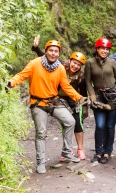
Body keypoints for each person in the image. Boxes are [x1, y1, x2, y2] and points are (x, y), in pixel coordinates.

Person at [6, 39, 88, 174]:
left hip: (53, 101)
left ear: (59, 53)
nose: (53, 53)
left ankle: (67, 152)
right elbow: (22, 75)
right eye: (51, 50)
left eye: (56, 51)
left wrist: (79, 98)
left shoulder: (60, 68)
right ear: (46, 50)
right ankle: (41, 162)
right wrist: (11, 83)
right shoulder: (35, 63)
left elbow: (66, 87)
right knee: (41, 133)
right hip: (38, 103)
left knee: (70, 121)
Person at [31, 35, 89, 160]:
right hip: (58, 99)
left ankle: (80, 148)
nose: (75, 66)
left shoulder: (81, 77)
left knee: (77, 123)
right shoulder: (60, 65)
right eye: (74, 63)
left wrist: (85, 108)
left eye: (78, 65)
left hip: (72, 100)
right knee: (65, 123)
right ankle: (68, 150)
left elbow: (83, 94)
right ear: (70, 60)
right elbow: (45, 56)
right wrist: (36, 48)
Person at [85, 37, 116, 164]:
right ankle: (98, 152)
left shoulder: (112, 62)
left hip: (113, 97)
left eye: (107, 49)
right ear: (97, 49)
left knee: (110, 126)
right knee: (100, 126)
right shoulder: (89, 63)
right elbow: (88, 82)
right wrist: (92, 97)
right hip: (99, 97)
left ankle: (107, 152)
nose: (104, 51)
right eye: (102, 48)